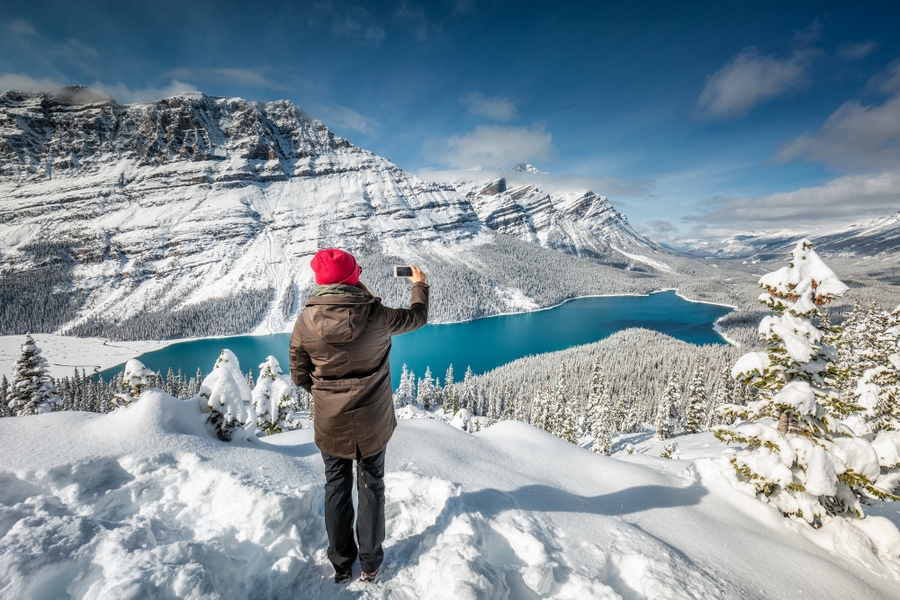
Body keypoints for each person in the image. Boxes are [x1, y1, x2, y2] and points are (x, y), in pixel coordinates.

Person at [289, 248, 429, 584]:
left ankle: (341, 563)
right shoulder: (377, 314)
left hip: (330, 422)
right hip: (372, 422)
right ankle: (370, 562)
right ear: (354, 277)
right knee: (371, 485)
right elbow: (417, 317)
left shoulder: (305, 322)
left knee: (336, 486)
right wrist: (419, 285)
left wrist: (327, 396)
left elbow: (298, 375)